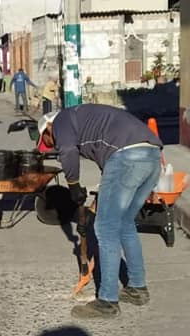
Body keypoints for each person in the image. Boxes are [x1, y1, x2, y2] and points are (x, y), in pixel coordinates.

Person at [37, 104, 162, 320]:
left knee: (105, 229)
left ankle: (107, 301)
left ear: (48, 127)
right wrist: (97, 203)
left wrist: (74, 186)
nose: (50, 146)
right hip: (151, 156)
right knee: (124, 223)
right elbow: (110, 173)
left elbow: (68, 151)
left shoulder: (61, 120)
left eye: (46, 141)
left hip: (127, 156)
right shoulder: (88, 123)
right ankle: (137, 288)